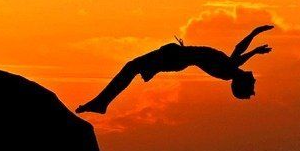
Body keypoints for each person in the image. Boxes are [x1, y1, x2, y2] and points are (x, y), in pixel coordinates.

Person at [76, 25, 274, 115]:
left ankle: (101, 103)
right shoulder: (230, 69)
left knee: (131, 67)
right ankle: (101, 103)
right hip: (176, 57)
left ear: (242, 82)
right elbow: (238, 54)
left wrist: (254, 39)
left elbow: (238, 53)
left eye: (252, 84)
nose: (255, 80)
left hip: (176, 58)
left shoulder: (229, 71)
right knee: (132, 67)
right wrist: (254, 42)